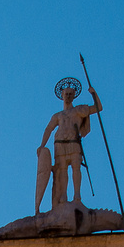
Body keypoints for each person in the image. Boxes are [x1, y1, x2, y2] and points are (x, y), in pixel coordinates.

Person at [37, 77, 102, 211]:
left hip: (73, 142)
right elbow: (48, 128)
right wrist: (42, 145)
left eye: (70, 94)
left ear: (73, 96)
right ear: (62, 96)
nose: (67, 96)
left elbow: (98, 108)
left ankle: (77, 196)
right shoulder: (57, 115)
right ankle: (63, 196)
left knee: (76, 168)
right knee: (62, 171)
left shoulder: (79, 110)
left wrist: (94, 93)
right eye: (66, 94)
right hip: (59, 143)